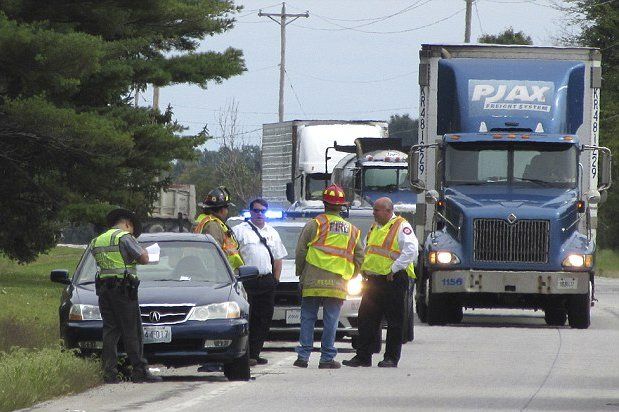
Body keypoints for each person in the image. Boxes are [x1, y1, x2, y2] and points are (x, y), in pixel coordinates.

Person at [294, 184, 364, 369]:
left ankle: (303, 357)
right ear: (341, 206)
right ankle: (326, 358)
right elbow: (359, 257)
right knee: (331, 320)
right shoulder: (352, 230)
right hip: (337, 282)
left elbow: (301, 251)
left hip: (313, 280)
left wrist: (301, 274)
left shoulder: (314, 224)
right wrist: (351, 274)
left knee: (308, 317)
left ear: (324, 204)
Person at [343, 197, 418, 368]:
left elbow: (411, 251)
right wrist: (364, 269)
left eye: (377, 210)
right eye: (374, 210)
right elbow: (369, 250)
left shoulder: (401, 226)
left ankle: (391, 358)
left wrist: (395, 269)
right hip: (373, 280)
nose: (374, 213)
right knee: (366, 319)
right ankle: (363, 356)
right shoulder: (374, 228)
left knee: (394, 321)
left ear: (388, 210)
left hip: (393, 280)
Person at [92, 208, 162, 383]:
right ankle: (139, 370)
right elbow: (144, 259)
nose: (132, 233)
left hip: (104, 290)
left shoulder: (97, 240)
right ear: (127, 224)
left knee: (110, 330)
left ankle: (109, 372)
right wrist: (143, 251)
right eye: (132, 230)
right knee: (133, 330)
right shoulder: (124, 237)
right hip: (123, 289)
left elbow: (113, 260)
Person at [232, 198, 287, 367]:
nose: (259, 214)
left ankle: (255, 353)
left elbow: (278, 258)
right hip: (247, 281)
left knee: (263, 319)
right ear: (250, 212)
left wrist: (275, 280)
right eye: (256, 210)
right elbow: (232, 255)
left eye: (263, 211)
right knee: (247, 319)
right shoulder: (239, 231)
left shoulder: (272, 232)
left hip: (267, 281)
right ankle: (243, 354)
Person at [194, 186, 244, 270]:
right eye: (227, 208)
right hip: (217, 273)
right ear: (221, 210)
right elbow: (215, 254)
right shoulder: (212, 225)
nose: (227, 212)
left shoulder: (204, 221)